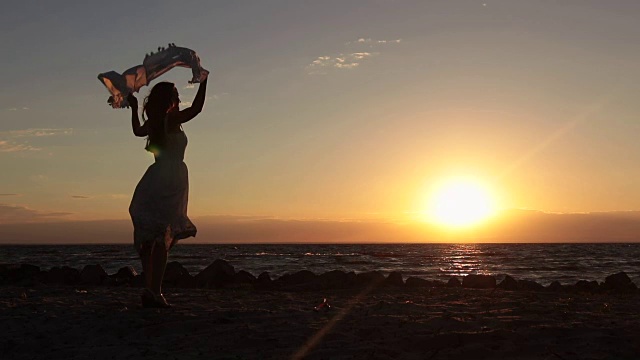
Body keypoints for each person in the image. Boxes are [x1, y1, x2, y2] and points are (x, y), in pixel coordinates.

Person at [127, 76, 208, 308]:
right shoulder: (171, 118)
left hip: (155, 177)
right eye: (176, 95)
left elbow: (136, 131)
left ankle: (151, 290)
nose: (179, 98)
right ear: (169, 100)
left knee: (152, 236)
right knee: (162, 236)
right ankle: (155, 291)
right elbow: (197, 108)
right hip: (171, 179)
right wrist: (203, 82)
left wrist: (133, 109)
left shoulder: (155, 121)